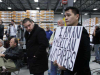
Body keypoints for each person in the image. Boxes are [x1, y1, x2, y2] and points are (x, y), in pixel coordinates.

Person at [55, 7, 91, 75]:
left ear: (77, 16)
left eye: (68, 15)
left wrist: (66, 66)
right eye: (65, 16)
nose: (66, 18)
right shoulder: (66, 32)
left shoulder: (82, 33)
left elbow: (85, 58)